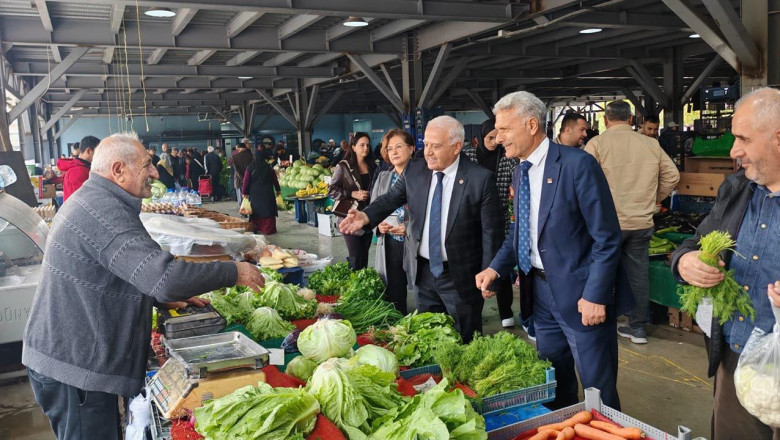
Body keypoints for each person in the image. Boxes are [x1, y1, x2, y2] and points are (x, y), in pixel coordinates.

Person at [22, 132, 265, 440]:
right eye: (147, 165)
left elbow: (112, 272)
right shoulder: (103, 211)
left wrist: (156, 300)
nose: (154, 172)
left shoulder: (99, 199)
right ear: (118, 170)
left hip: (71, 357)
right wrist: (234, 271)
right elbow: (165, 278)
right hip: (74, 367)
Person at [475, 91, 631, 409]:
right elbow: (519, 233)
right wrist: (495, 267)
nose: (498, 137)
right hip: (540, 295)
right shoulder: (520, 171)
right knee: (555, 384)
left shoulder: (577, 165)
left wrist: (596, 295)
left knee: (597, 392)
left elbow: (607, 237)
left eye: (504, 129)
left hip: (581, 296)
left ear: (532, 125)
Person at [671, 87, 780, 440]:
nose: (734, 152)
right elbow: (693, 243)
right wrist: (686, 261)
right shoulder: (737, 189)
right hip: (739, 359)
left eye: (743, 139)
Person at [340, 117, 503, 343]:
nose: (428, 152)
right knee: (428, 337)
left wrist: (491, 275)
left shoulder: (479, 179)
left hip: (461, 276)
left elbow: (491, 233)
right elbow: (390, 198)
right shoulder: (416, 170)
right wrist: (366, 215)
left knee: (466, 339)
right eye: (426, 144)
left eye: (435, 146)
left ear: (456, 147)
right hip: (423, 273)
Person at [584, 100, 680, 344]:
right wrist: (654, 198)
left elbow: (581, 182)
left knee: (602, 270)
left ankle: (601, 320)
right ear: (630, 120)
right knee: (637, 273)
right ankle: (637, 327)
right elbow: (673, 176)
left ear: (605, 120)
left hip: (606, 224)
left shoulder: (596, 144)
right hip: (641, 221)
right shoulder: (650, 144)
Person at [463, 118, 520, 329]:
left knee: (499, 262)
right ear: (480, 136)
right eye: (490, 137)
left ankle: (505, 310)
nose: (494, 141)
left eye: (497, 137)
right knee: (474, 263)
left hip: (500, 217)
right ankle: (474, 310)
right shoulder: (468, 156)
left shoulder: (508, 157)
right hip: (471, 218)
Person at [371, 129, 415, 315]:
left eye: (399, 147)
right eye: (389, 149)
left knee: (424, 290)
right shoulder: (383, 177)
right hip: (390, 242)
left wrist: (409, 228)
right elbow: (374, 208)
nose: (394, 152)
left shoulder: (423, 177)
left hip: (414, 242)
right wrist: (378, 226)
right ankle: (399, 326)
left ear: (411, 148)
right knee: (394, 290)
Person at [329, 132, 377, 270]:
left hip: (367, 217)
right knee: (355, 256)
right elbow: (332, 190)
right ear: (353, 147)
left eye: (367, 145)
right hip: (350, 218)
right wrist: (352, 193)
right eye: (361, 145)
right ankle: (354, 286)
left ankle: (362, 284)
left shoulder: (372, 166)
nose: (365, 148)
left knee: (364, 255)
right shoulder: (343, 167)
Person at [242, 148, 282, 235]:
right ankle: (269, 229)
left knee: (256, 210)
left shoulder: (250, 167)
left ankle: (257, 228)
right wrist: (278, 190)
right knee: (268, 210)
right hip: (268, 192)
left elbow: (246, 181)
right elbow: (275, 180)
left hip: (255, 193)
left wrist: (244, 192)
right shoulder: (269, 167)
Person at [56, 135, 100, 202]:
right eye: (98, 153)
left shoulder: (83, 167)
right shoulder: (78, 171)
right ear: (88, 151)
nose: (99, 156)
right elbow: (85, 199)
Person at [231, 139, 254, 208]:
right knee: (250, 195)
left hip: (239, 179)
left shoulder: (234, 157)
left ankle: (243, 211)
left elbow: (237, 170)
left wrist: (243, 179)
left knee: (241, 196)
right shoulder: (251, 156)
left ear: (240, 148)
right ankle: (250, 210)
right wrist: (247, 178)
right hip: (250, 178)